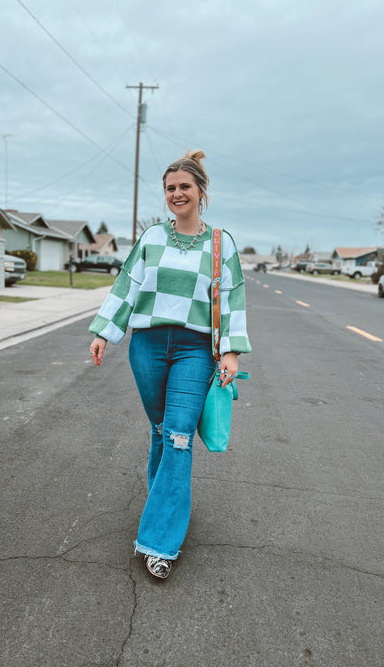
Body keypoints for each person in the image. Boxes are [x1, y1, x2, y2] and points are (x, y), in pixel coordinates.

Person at [89, 150, 251, 579]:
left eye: (185, 187)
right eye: (170, 188)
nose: (177, 194)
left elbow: (232, 297)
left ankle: (160, 542)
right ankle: (168, 503)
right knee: (161, 431)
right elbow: (127, 284)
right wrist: (105, 330)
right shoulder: (152, 239)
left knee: (179, 436)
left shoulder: (221, 244)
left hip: (195, 350)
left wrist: (230, 351)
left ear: (201, 192)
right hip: (148, 346)